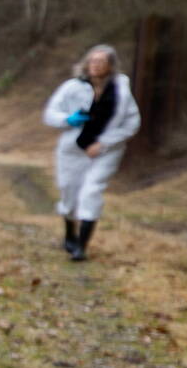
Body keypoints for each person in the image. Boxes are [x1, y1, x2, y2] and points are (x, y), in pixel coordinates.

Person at [41, 45, 141, 260]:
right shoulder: (72, 87)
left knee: (91, 192)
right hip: (72, 150)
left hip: (105, 152)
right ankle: (69, 231)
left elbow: (133, 123)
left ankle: (81, 246)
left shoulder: (121, 92)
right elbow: (50, 114)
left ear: (110, 66)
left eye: (101, 61)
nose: (95, 65)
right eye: (92, 61)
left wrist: (104, 143)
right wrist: (67, 120)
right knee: (69, 193)